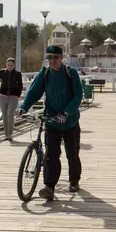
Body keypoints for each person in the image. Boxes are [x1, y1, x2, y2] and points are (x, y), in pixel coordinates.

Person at [16, 45, 84, 200]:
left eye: (55, 57)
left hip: (70, 121)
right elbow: (34, 91)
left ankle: (74, 180)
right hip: (52, 119)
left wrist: (67, 112)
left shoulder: (70, 73)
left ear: (62, 58)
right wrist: (24, 107)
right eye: (49, 58)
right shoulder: (45, 73)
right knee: (51, 155)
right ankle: (49, 186)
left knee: (72, 153)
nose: (52, 61)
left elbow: (78, 96)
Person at [0, 57, 23, 141]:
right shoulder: (2, 72)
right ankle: (6, 135)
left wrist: (18, 94)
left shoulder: (17, 74)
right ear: (6, 65)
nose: (10, 66)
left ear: (14, 65)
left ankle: (10, 134)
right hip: (3, 96)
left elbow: (20, 85)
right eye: (8, 65)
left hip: (13, 96)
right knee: (4, 116)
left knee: (10, 113)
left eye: (11, 65)